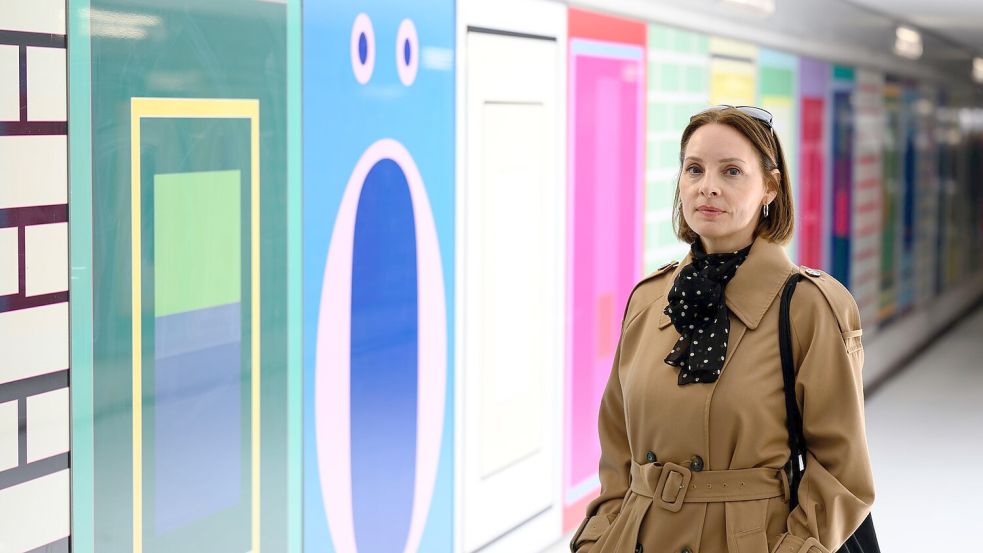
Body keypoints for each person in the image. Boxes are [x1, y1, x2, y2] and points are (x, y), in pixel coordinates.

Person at [569, 106, 875, 553]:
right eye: (694, 169)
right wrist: (598, 540)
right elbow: (617, 448)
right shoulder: (650, 299)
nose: (707, 186)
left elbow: (843, 473)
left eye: (731, 171)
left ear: (770, 186)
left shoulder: (809, 306)